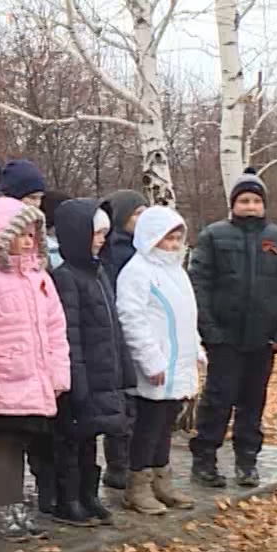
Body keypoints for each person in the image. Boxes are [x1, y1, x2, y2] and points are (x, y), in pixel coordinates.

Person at [188, 167, 277, 489]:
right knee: (217, 400)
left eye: (256, 200)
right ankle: (204, 460)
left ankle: (247, 461)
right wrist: (209, 330)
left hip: (263, 340)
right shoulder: (213, 237)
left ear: (264, 204)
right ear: (233, 204)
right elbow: (199, 284)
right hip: (224, 338)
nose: (250, 206)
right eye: (244, 200)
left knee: (253, 402)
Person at [0, 196, 68, 543]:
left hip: (33, 380)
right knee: (2, 450)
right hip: (7, 381)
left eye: (32, 234)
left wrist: (57, 375)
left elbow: (55, 327)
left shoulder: (40, 278)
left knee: (22, 446)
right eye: (20, 233)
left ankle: (14, 504)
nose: (27, 241)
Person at [46, 199, 133, 527]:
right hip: (80, 374)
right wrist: (76, 379)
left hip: (102, 371)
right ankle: (68, 498)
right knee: (72, 439)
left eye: (104, 233)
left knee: (91, 437)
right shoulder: (67, 277)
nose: (100, 239)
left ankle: (88, 493)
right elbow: (71, 333)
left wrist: (122, 368)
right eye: (95, 232)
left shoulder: (98, 273)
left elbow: (113, 326)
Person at [115, 206, 203, 516]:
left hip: (178, 362)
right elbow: (132, 320)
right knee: (149, 425)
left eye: (179, 238)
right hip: (156, 365)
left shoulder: (176, 272)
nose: (174, 244)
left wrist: (197, 351)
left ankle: (161, 479)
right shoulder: (137, 272)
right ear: (151, 237)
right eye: (168, 238)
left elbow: (186, 318)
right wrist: (150, 361)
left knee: (166, 424)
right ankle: (137, 483)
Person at [98, 189, 146, 491]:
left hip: (139, 335)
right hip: (119, 335)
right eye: (136, 213)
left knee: (135, 407)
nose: (142, 219)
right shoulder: (116, 253)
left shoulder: (143, 250)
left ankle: (129, 463)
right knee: (123, 406)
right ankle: (119, 465)